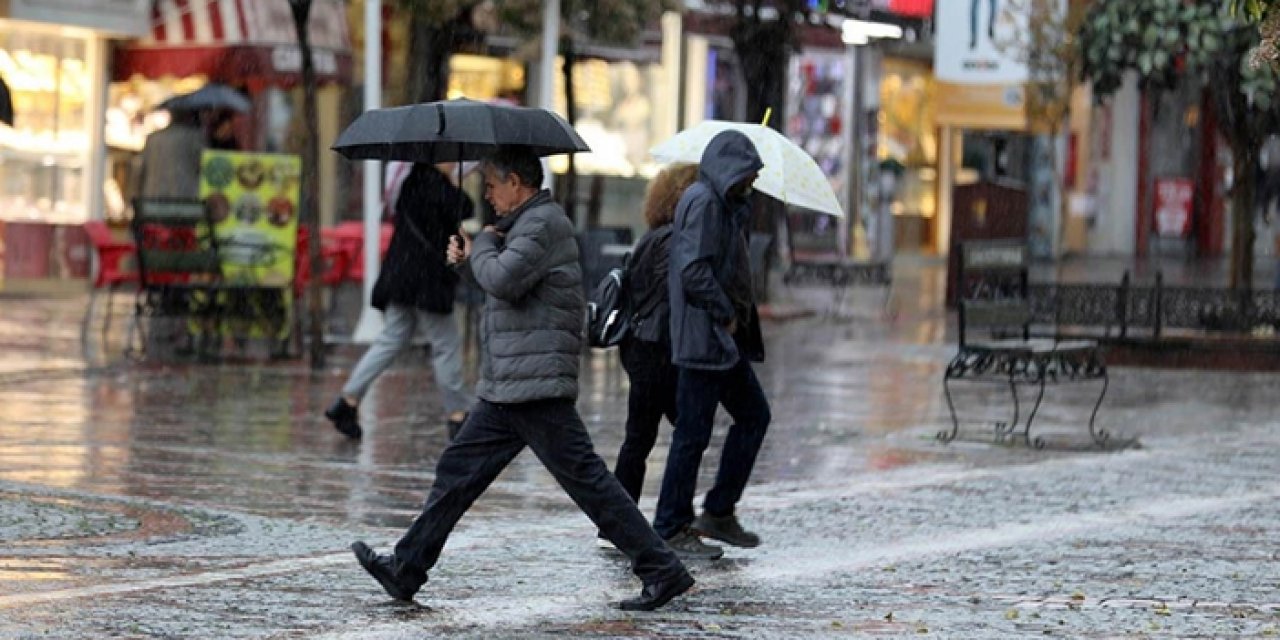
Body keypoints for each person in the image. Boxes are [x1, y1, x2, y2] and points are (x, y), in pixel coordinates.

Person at [350, 146, 693, 612]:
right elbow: (502, 288)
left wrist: (483, 246)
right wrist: (470, 258)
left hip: (534, 381)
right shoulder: (521, 227)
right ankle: (407, 567)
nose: (487, 195)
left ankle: (662, 569)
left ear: (516, 182)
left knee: (588, 482)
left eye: (491, 185)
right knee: (458, 471)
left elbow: (505, 279)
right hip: (510, 381)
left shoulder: (543, 225)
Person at [652, 130, 771, 558]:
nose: (752, 182)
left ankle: (718, 510)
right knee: (693, 434)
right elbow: (693, 270)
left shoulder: (724, 204)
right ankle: (670, 524)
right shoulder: (704, 202)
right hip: (706, 337)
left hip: (721, 340)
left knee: (752, 416)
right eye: (748, 174)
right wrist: (724, 311)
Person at [325, 162, 476, 440]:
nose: (455, 163)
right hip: (426, 281)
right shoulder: (439, 187)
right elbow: (466, 207)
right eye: (449, 159)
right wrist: (453, 184)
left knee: (391, 339)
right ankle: (458, 415)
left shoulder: (409, 183)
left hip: (400, 275)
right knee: (446, 344)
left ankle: (347, 399)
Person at [598, 164, 699, 550]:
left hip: (642, 347)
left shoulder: (654, 237)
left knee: (639, 439)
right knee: (686, 433)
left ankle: (618, 523)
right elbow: (672, 299)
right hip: (659, 351)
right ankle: (670, 521)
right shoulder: (674, 240)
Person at [132, 109, 206, 200]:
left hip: (153, 198)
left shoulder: (153, 138)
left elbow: (140, 170)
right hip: (185, 199)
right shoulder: (196, 138)